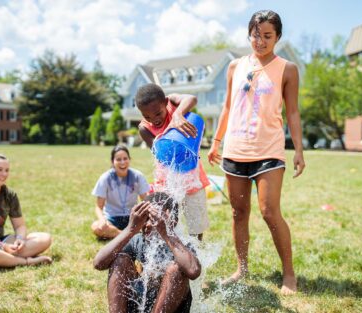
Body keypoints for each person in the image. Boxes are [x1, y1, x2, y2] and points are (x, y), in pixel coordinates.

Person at [207, 10, 305, 295]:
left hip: (269, 150)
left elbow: (293, 112)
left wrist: (299, 149)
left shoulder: (287, 69)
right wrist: (216, 141)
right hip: (235, 149)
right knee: (238, 212)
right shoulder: (234, 66)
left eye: (267, 36)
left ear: (277, 38)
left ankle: (289, 274)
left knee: (269, 211)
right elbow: (227, 107)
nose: (260, 41)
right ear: (248, 34)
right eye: (255, 35)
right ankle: (242, 268)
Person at [93, 192, 201, 313]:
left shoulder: (181, 245)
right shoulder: (137, 240)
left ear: (172, 221)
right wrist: (130, 229)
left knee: (176, 269)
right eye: (145, 218)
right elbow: (99, 263)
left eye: (155, 219)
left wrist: (166, 233)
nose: (148, 224)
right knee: (120, 260)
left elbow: (193, 270)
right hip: (139, 306)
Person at [135, 84, 210, 240]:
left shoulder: (173, 102)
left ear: (166, 102)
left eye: (158, 113)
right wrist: (165, 134)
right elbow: (158, 153)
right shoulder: (144, 128)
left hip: (191, 175)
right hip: (166, 180)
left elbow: (192, 98)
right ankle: (170, 251)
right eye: (147, 116)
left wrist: (177, 115)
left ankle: (195, 254)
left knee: (195, 222)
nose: (154, 120)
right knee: (166, 219)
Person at [91, 145, 150, 239]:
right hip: (112, 218)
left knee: (153, 224)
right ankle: (128, 236)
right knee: (96, 227)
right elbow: (98, 206)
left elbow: (146, 200)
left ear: (129, 159)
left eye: (125, 158)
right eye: (118, 159)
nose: (122, 162)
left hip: (132, 216)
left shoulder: (138, 176)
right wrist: (102, 220)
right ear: (112, 161)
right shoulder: (105, 178)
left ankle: (118, 235)